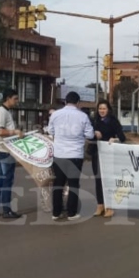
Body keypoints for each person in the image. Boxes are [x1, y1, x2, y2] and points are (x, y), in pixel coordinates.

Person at [47, 91, 94, 221]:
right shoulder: (83, 116)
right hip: (75, 155)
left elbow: (50, 131)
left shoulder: (55, 114)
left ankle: (56, 212)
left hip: (59, 154)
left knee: (58, 184)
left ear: (65, 102)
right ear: (78, 103)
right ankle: (71, 213)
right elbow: (90, 135)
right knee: (73, 184)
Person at [90, 100, 126, 218]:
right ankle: (100, 205)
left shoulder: (113, 121)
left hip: (109, 155)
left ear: (108, 109)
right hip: (96, 154)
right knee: (98, 180)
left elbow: (122, 137)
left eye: (104, 108)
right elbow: (88, 134)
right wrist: (93, 132)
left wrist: (114, 139)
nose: (102, 111)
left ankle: (109, 207)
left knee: (109, 180)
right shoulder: (94, 121)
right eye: (100, 108)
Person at [0, 88, 23, 219]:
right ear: (8, 98)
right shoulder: (2, 112)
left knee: (0, 179)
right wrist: (15, 132)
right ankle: (6, 209)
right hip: (4, 150)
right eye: (15, 98)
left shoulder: (6, 112)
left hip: (4, 149)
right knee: (6, 180)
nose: (17, 101)